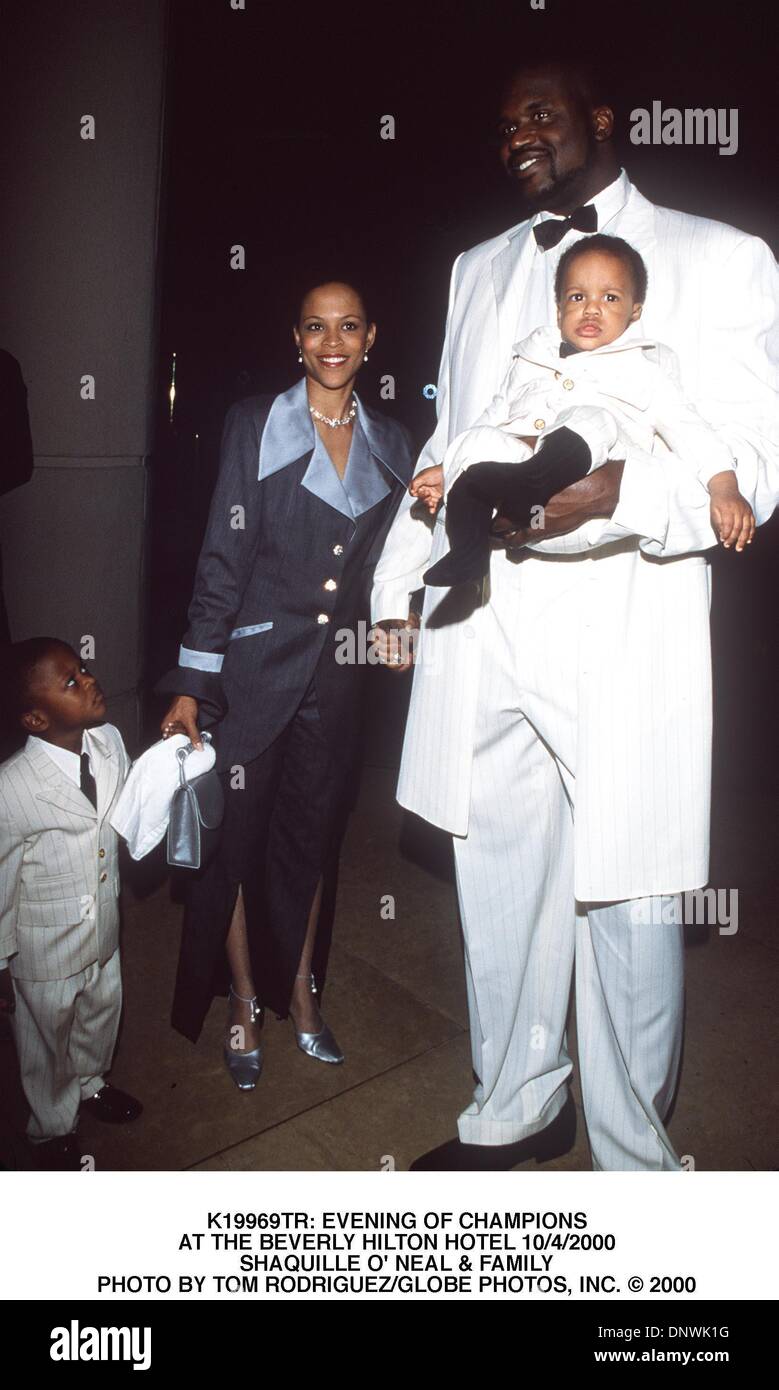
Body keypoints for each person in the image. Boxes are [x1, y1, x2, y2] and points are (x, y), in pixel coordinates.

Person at [371, 60, 778, 1171]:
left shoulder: (721, 257)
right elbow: (456, 430)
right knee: (497, 878)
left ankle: (630, 1156)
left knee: (628, 900)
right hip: (486, 624)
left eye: (541, 114)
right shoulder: (475, 267)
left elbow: (747, 452)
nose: (518, 135)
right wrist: (408, 568)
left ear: (602, 122)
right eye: (503, 122)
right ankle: (512, 1104)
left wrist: (619, 498)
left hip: (621, 628)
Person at [158, 280, 413, 1090]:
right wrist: (193, 681)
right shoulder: (252, 426)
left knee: (310, 845)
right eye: (314, 327)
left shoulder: (397, 444)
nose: (331, 342)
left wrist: (402, 621)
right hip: (252, 671)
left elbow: (397, 567)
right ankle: (241, 1000)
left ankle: (298, 991)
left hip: (340, 681)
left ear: (371, 338)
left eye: (347, 327)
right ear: (294, 338)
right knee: (232, 843)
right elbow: (220, 560)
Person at [416, 234, 754, 588]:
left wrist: (724, 487)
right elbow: (495, 413)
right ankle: (468, 555)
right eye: (577, 297)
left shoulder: (643, 368)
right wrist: (448, 465)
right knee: (478, 437)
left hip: (578, 505)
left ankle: (534, 478)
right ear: (559, 308)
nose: (591, 309)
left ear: (634, 310)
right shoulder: (531, 356)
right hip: (514, 513)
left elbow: (690, 430)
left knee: (593, 418)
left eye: (610, 298)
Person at [0, 639, 141, 1171]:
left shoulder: (108, 743)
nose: (88, 680)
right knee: (45, 1042)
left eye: (82, 670)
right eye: (70, 683)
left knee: (100, 1016)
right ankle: (52, 1127)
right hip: (43, 950)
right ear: (35, 718)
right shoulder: (12, 788)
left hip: (103, 928)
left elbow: (126, 807)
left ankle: (91, 1083)